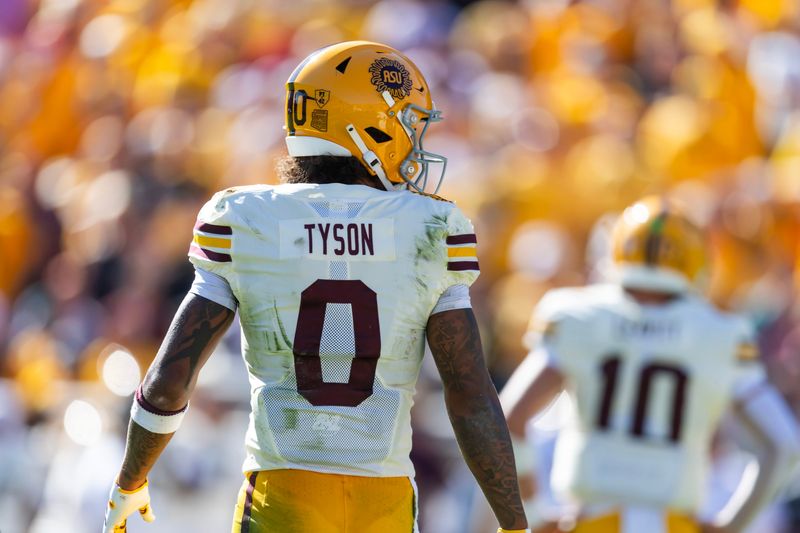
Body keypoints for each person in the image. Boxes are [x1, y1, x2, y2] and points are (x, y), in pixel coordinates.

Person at [103, 41, 528, 533]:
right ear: (365, 127)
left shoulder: (245, 219)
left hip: (281, 498)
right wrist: (513, 524)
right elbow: (471, 395)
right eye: (407, 124)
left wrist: (130, 480)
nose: (414, 142)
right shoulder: (431, 227)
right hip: (383, 505)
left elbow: (171, 378)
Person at [501, 197, 800, 533]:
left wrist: (534, 512)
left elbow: (509, 417)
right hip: (674, 525)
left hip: (592, 522)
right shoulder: (722, 333)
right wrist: (732, 526)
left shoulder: (578, 315)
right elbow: (784, 446)